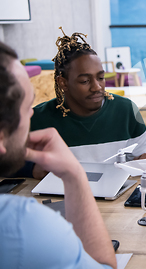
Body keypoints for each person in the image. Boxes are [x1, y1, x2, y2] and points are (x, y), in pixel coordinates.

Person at [0, 41, 117, 268]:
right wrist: (74, 175)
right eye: (25, 109)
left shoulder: (123, 110)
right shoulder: (20, 225)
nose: (31, 115)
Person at [13, 28, 146, 179]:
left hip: (117, 199)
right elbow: (7, 163)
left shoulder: (126, 110)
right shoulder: (38, 119)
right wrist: (32, 169)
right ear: (63, 82)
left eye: (101, 78)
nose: (97, 87)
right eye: (85, 81)